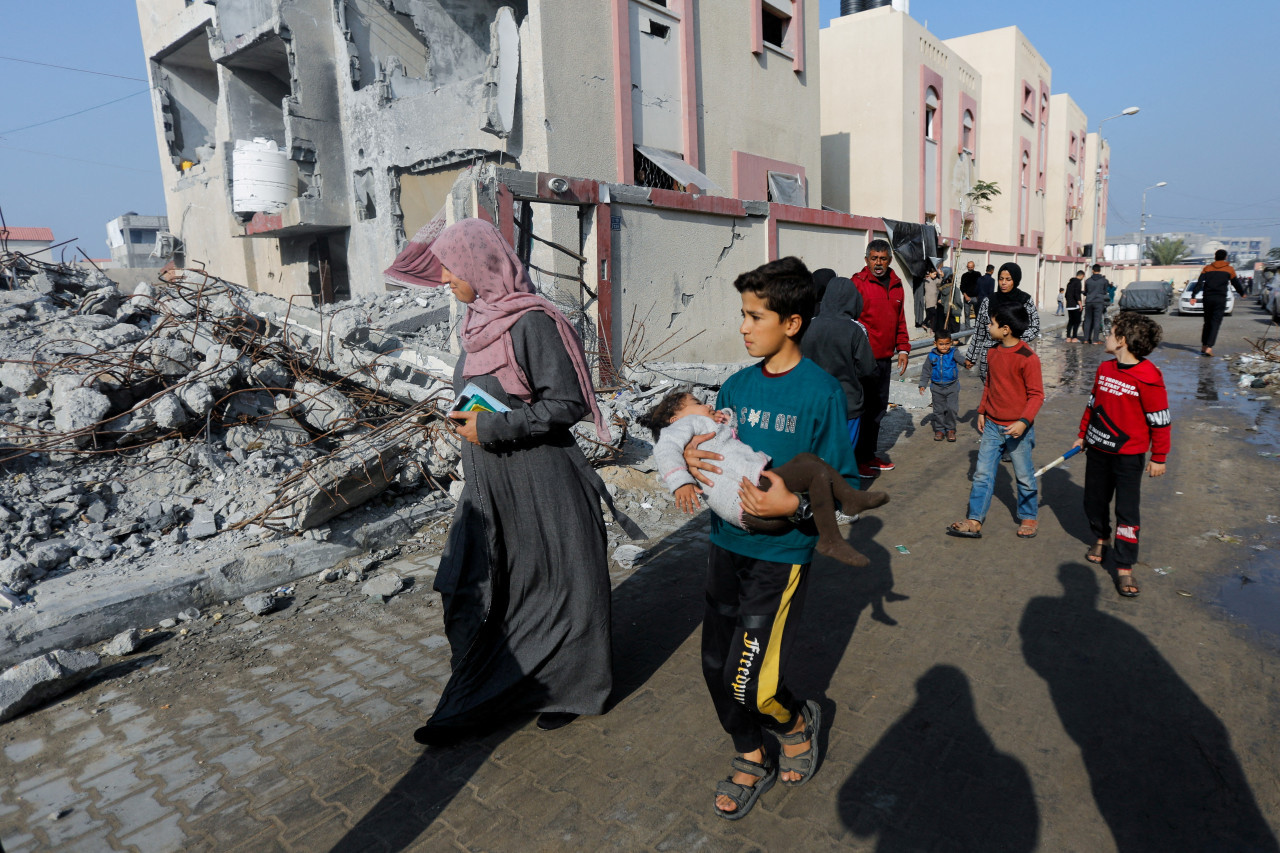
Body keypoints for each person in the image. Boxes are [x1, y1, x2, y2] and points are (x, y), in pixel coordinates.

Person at [412, 219, 644, 746]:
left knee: (561, 585)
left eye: (451, 266)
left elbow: (567, 403)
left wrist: (493, 425)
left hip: (542, 478)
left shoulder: (533, 322)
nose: (444, 277)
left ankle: (569, 689)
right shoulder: (475, 323)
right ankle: (490, 687)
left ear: (479, 265)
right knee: (468, 584)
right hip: (490, 483)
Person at [681, 256, 857, 819]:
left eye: (755, 316)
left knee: (751, 685)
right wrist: (690, 459)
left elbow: (845, 487)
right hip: (725, 550)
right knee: (715, 669)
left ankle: (796, 721)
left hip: (780, 559)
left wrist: (796, 504)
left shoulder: (821, 393)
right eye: (743, 314)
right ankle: (751, 751)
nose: (743, 326)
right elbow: (713, 452)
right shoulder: (734, 385)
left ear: (792, 323)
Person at [643, 391, 889, 567]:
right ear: (676, 418)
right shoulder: (683, 426)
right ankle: (845, 505)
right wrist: (681, 482)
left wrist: (725, 417)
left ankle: (833, 528)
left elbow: (733, 433)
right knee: (810, 466)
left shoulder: (705, 426)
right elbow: (665, 449)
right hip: (751, 493)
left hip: (752, 513)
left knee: (810, 470)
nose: (707, 405)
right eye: (697, 402)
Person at [1072, 312, 1170, 597]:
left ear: (1123, 341)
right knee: (1094, 500)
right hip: (1098, 449)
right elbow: (1093, 406)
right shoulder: (1104, 369)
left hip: (1130, 456)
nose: (1106, 336)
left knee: (1127, 511)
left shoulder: (1149, 377)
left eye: (1111, 332)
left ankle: (1125, 566)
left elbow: (1160, 420)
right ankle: (1101, 538)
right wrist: (1082, 434)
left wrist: (1159, 456)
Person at [947, 304, 1044, 540]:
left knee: (1023, 475)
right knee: (982, 474)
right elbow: (990, 385)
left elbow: (1036, 395)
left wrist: (1023, 422)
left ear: (1006, 329)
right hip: (991, 425)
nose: (988, 327)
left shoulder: (1028, 358)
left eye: (991, 323)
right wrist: (982, 411)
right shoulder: (992, 353)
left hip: (1017, 430)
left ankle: (1029, 516)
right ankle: (974, 519)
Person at [801, 269, 877, 476]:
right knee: (843, 455)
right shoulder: (856, 329)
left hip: (813, 402)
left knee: (816, 451)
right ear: (854, 300)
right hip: (848, 403)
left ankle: (814, 496)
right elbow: (868, 369)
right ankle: (836, 498)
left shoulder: (808, 325)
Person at [850, 240, 910, 478]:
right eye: (873, 258)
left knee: (877, 410)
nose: (878, 263)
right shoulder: (858, 284)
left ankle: (868, 455)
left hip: (885, 360)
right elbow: (850, 321)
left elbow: (900, 320)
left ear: (889, 260)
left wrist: (903, 348)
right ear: (866, 260)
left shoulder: (896, 285)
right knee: (861, 411)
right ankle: (855, 460)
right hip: (862, 361)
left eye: (882, 258)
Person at [963, 262, 1041, 383]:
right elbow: (979, 332)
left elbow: (1034, 327)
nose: (1003, 283)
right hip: (990, 356)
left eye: (1008, 279)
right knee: (991, 391)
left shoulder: (1024, 300)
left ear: (1015, 280)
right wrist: (971, 357)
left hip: (1014, 355)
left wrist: (1010, 338)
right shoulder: (989, 301)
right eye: (1001, 279)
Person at [1187, 249, 1245, 357]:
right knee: (1215, 322)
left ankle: (1204, 346)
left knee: (1207, 322)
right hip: (1220, 299)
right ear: (1225, 258)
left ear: (1215, 257)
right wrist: (1242, 293)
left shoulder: (1207, 268)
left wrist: (1193, 296)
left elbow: (1200, 283)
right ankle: (1209, 347)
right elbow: (1235, 282)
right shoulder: (1229, 269)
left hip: (1207, 298)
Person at [918, 330, 960, 441]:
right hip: (936, 388)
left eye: (947, 344)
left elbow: (961, 360)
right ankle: (940, 429)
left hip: (952, 386)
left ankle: (950, 429)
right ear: (935, 343)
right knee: (939, 410)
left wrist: (967, 363)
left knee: (952, 409)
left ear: (951, 343)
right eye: (941, 344)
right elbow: (926, 370)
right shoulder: (931, 356)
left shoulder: (954, 353)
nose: (944, 347)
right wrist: (923, 384)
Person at [1081, 264, 1110, 345]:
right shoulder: (1104, 281)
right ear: (1100, 270)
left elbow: (1086, 292)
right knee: (1097, 320)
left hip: (1089, 302)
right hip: (1099, 302)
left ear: (1092, 270)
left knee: (1087, 320)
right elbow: (1105, 291)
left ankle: (1086, 339)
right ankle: (1095, 340)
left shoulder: (1088, 281)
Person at [959, 260, 982, 328]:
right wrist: (965, 296)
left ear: (974, 267)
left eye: (971, 267)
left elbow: (980, 285)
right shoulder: (964, 275)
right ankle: (967, 328)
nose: (970, 268)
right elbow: (962, 286)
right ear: (967, 267)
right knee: (967, 313)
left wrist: (978, 296)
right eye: (969, 267)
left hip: (976, 297)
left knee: (977, 312)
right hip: (967, 297)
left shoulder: (978, 274)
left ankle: (977, 327)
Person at [1064, 270, 1085, 342]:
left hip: (1069, 305)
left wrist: (1069, 302)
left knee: (1070, 321)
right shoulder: (1078, 282)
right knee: (1077, 321)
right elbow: (1076, 294)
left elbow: (1066, 295)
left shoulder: (1070, 283)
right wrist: (1080, 304)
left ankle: (1068, 337)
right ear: (1082, 276)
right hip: (1075, 305)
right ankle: (1074, 338)